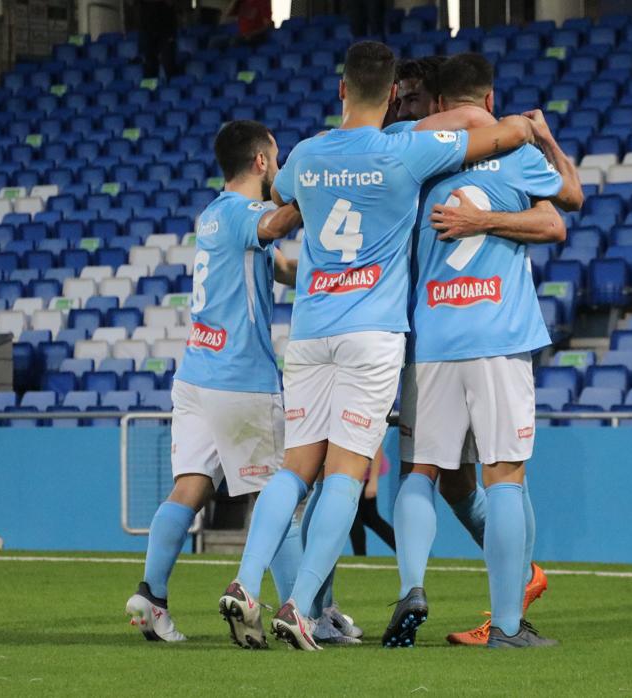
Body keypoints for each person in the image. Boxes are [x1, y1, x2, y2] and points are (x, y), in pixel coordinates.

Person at [218, 39, 538, 652]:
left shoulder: (307, 154)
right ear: (393, 95)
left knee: (295, 469)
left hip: (310, 331)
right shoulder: (406, 149)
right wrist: (519, 124)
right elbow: (488, 134)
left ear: (341, 89)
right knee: (345, 471)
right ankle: (299, 605)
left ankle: (243, 580)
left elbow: (279, 199)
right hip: (372, 333)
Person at [381, 52, 584, 649]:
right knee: (504, 476)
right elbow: (567, 203)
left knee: (422, 470)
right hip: (499, 336)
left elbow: (379, 137)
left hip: (434, 338)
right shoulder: (516, 153)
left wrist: (477, 219)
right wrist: (539, 138)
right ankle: (507, 625)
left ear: (438, 102)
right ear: (492, 101)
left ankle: (412, 588)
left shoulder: (413, 157)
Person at [124, 120, 302, 646]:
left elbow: (279, 264)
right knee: (277, 496)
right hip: (240, 378)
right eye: (279, 157)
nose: (282, 165)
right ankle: (300, 614)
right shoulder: (249, 215)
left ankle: (151, 595)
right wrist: (317, 188)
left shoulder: (214, 216)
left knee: (190, 487)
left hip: (197, 374)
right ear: (261, 163)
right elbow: (272, 228)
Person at [139, 0, 180, 80]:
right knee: (149, 64)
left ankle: (172, 89)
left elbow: (171, 2)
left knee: (169, 62)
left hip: (166, 29)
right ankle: (150, 91)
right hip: (147, 28)